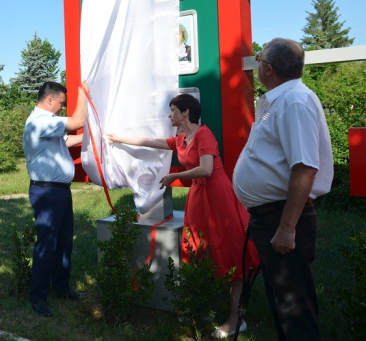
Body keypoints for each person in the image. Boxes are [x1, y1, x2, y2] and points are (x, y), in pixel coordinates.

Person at [108, 93, 259, 337]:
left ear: (186, 112)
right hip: (199, 197)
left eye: (173, 110)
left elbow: (207, 169)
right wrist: (119, 138)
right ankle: (203, 308)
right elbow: (149, 141)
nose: (170, 115)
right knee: (200, 249)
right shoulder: (181, 139)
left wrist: (175, 176)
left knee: (230, 252)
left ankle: (236, 319)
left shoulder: (204, 134)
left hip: (217, 195)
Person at [233, 38, 333, 341]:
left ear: (269, 68)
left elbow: (305, 168)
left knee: (295, 314)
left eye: (260, 57)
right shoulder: (280, 99)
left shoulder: (294, 102)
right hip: (272, 217)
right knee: (283, 307)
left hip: (283, 219)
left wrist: (287, 228)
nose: (257, 60)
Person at [23, 81, 90, 317]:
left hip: (59, 191)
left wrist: (90, 137)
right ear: (50, 100)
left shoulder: (46, 123)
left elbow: (66, 140)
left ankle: (61, 288)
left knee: (63, 241)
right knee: (47, 243)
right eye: (62, 102)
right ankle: (38, 297)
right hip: (48, 192)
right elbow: (77, 122)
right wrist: (83, 93)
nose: (63, 107)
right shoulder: (40, 121)